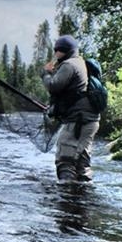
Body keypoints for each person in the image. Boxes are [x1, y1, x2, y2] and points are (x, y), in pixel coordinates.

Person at [41, 34, 100, 181]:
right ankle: (83, 196)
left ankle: (66, 199)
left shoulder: (69, 65)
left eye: (58, 50)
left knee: (65, 161)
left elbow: (54, 86)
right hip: (90, 121)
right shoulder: (80, 62)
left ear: (67, 51)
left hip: (77, 122)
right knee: (81, 163)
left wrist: (46, 74)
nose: (56, 53)